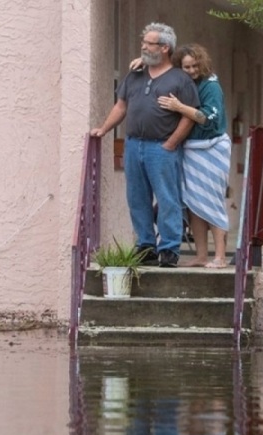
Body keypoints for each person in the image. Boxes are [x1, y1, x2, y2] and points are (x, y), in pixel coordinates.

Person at [91, 23, 199, 268]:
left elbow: (189, 116)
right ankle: (146, 244)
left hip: (162, 147)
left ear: (164, 48)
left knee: (167, 197)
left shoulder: (180, 79)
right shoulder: (135, 74)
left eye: (149, 43)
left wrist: (171, 143)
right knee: (136, 197)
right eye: (144, 42)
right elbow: (121, 106)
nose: (143, 46)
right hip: (133, 145)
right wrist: (104, 129)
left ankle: (169, 248)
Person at [132, 43, 231, 268]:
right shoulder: (184, 82)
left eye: (195, 66)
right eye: (186, 67)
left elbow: (209, 119)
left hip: (211, 148)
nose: (192, 70)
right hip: (190, 149)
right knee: (194, 202)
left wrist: (179, 107)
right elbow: (160, 62)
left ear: (202, 63)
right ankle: (202, 255)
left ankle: (221, 257)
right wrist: (144, 62)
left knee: (212, 201)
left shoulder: (211, 85)